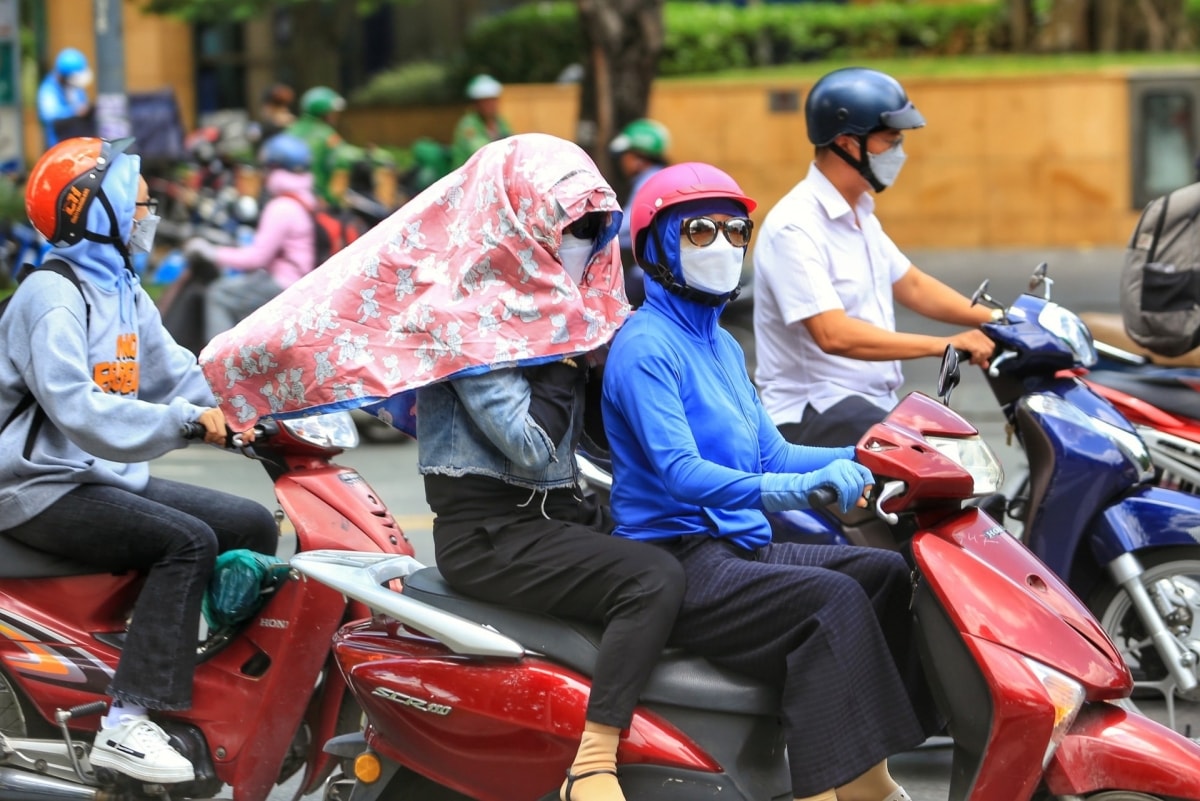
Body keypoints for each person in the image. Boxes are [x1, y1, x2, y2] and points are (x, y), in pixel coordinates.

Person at [601, 161, 940, 801]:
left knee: (888, 575)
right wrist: (806, 490)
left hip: (739, 546)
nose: (725, 246)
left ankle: (871, 779)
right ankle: (821, 790)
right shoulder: (645, 346)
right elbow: (681, 475)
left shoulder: (722, 345)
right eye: (700, 231)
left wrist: (876, 455)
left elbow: (772, 451)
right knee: (829, 601)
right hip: (683, 558)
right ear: (657, 248)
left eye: (736, 231)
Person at [412, 135, 684, 801]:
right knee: (653, 579)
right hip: (491, 534)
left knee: (684, 542)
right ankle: (593, 762)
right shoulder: (469, 315)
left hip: (553, 511)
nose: (585, 243)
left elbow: (591, 440)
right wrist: (566, 360)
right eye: (573, 228)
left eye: (596, 230)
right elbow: (531, 444)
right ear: (525, 225)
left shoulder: (553, 312)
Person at [0, 136, 278, 783]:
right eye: (140, 202)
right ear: (95, 209)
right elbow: (81, 409)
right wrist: (186, 422)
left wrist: (255, 406)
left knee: (249, 525)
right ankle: (129, 720)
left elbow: (177, 371)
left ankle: (197, 675)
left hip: (91, 474)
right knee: (186, 542)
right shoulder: (53, 294)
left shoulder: (122, 288)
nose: (149, 216)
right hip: (35, 483)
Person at [752, 67, 995, 447]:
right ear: (848, 143)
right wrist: (943, 345)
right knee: (946, 465)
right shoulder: (795, 227)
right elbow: (833, 334)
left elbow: (912, 285)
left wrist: (999, 321)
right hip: (813, 415)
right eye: (890, 140)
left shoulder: (859, 212)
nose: (900, 152)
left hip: (867, 408)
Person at [187, 132, 317, 342]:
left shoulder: (281, 206)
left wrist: (210, 252)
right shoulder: (303, 200)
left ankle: (220, 365)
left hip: (282, 284)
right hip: (297, 281)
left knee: (219, 293)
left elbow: (256, 259)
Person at [609, 118, 670, 306]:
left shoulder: (649, 182)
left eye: (625, 156)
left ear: (638, 158)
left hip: (652, 274)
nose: (622, 162)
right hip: (666, 272)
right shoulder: (661, 177)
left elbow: (628, 226)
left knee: (613, 306)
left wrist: (598, 232)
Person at [286, 85, 347, 206]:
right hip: (321, 200)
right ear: (324, 112)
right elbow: (343, 158)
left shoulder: (291, 130)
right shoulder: (327, 134)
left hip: (291, 197)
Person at [449, 74, 513, 170]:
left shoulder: (500, 122)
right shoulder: (468, 124)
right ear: (476, 103)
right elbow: (480, 151)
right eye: (485, 101)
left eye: (492, 100)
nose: (490, 105)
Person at [37, 47, 94, 148]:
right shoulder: (49, 89)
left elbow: (83, 104)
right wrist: (73, 111)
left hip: (78, 144)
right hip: (57, 146)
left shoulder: (74, 86)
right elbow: (50, 115)